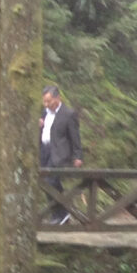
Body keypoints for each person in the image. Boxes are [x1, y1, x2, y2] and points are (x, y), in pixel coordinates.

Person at [40, 86, 84, 223]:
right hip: (45, 151)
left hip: (60, 153)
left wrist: (78, 156)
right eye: (44, 102)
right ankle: (60, 214)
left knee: (50, 181)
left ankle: (61, 214)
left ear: (58, 98)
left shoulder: (68, 114)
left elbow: (75, 136)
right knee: (47, 183)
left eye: (49, 101)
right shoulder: (44, 113)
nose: (47, 105)